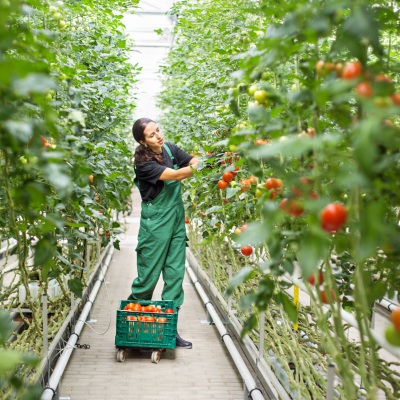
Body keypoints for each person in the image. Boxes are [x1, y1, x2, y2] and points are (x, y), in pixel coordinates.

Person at [128, 117, 200, 349]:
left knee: (175, 275)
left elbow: (191, 160)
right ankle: (135, 328)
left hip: (176, 222)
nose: (158, 135)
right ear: (143, 141)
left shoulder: (169, 148)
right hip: (156, 224)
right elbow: (177, 174)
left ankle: (169, 330)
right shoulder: (143, 164)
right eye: (151, 135)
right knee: (148, 278)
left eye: (158, 130)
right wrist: (198, 167)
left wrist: (200, 161)